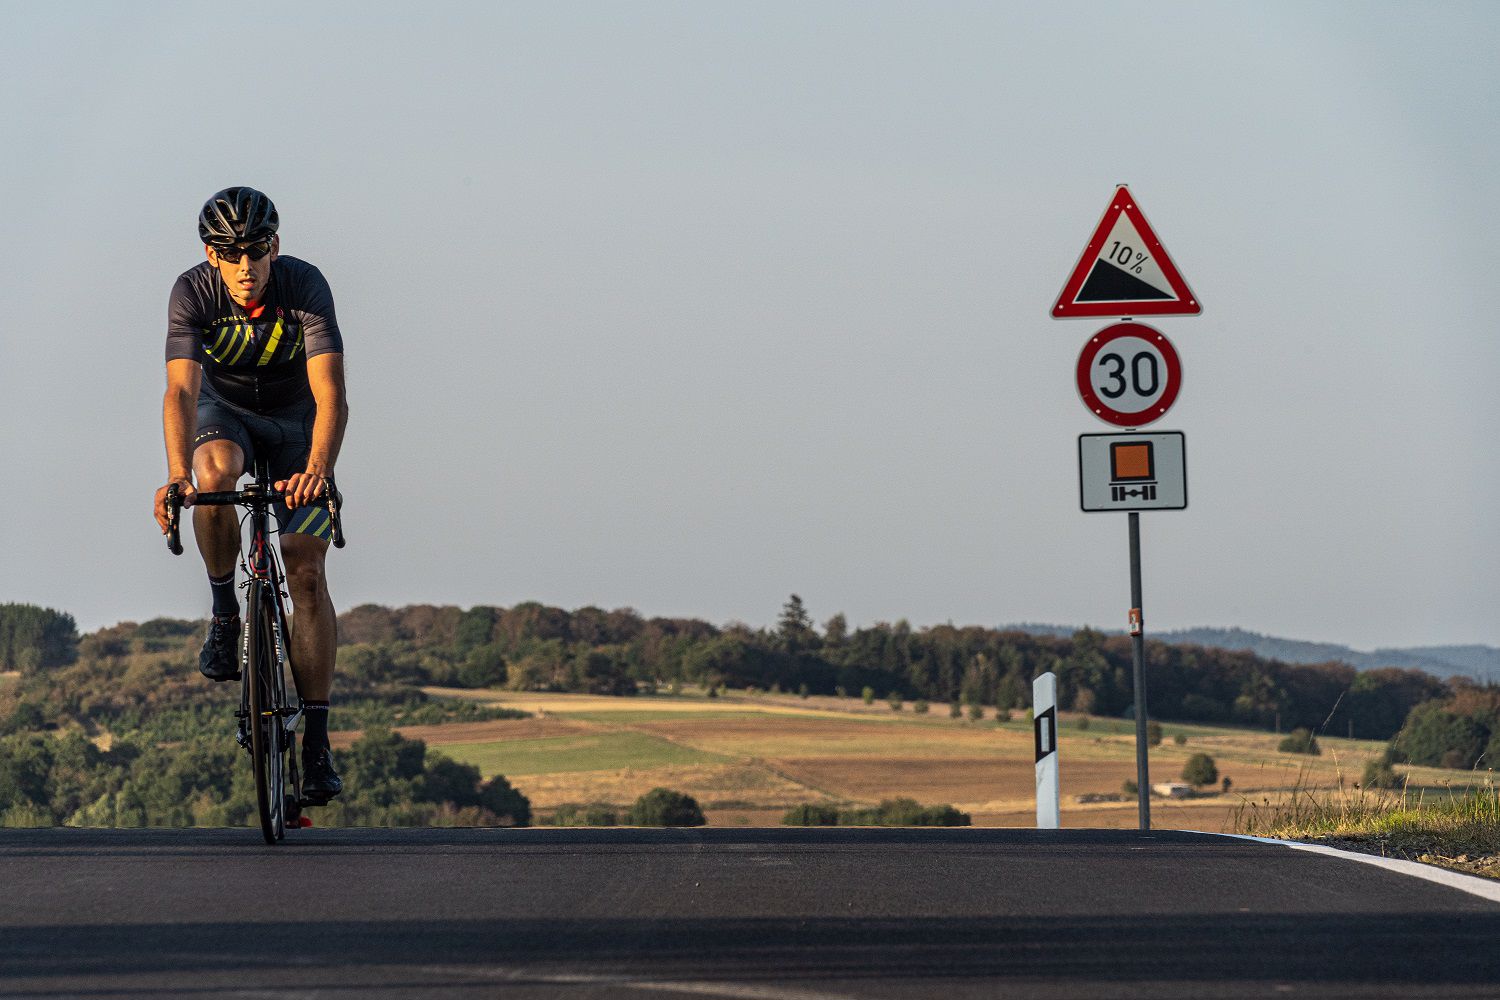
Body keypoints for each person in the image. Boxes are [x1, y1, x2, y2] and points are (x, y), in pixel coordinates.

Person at [152, 187, 348, 801]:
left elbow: (331, 394)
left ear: (275, 247)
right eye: (231, 253)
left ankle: (315, 744)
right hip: (226, 413)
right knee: (212, 480)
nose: (246, 266)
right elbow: (182, 393)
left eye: (257, 251)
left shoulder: (305, 285)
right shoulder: (193, 293)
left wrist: (318, 467)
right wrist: (175, 473)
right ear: (211, 255)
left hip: (297, 425)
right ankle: (223, 610)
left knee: (307, 571)